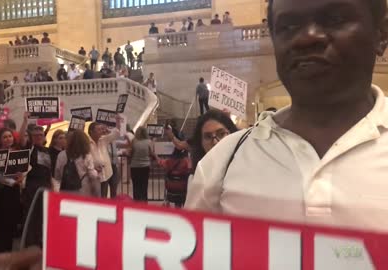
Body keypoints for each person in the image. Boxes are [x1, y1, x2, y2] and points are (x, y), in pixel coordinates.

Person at [185, 0, 388, 233]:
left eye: (335, 19)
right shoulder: (221, 164)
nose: (307, 37)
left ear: (381, 34)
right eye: (289, 26)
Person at [19, 120, 52, 248]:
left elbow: (49, 170)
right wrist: (25, 120)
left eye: (41, 135)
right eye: (35, 135)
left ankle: (40, 242)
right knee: (31, 216)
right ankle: (30, 244)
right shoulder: (28, 149)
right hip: (32, 187)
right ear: (31, 137)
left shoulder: (47, 151)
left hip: (46, 185)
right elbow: (21, 138)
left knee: (43, 216)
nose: (38, 137)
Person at [0, 128, 23, 253]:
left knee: (11, 223)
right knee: (1, 224)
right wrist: (12, 181)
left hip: (14, 191)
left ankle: (8, 251)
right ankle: (0, 252)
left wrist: (21, 176)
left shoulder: (17, 152)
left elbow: (22, 169)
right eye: (5, 137)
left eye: (10, 136)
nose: (8, 139)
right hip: (2, 191)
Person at [55, 130, 101, 197]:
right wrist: (96, 172)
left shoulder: (61, 155)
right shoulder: (86, 156)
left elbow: (57, 174)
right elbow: (92, 175)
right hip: (82, 191)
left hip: (65, 191)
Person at [88, 117, 121, 199]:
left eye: (101, 129)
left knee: (104, 197)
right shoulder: (86, 143)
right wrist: (93, 167)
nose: (101, 131)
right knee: (96, 198)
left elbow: (116, 134)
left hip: (106, 173)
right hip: (94, 175)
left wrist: (108, 131)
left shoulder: (103, 140)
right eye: (98, 129)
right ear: (91, 132)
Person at [128, 127, 156, 201]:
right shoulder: (149, 142)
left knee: (136, 186)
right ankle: (144, 202)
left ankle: (136, 203)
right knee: (144, 185)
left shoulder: (133, 141)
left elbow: (130, 153)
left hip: (134, 166)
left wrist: (129, 161)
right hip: (145, 166)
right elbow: (151, 153)